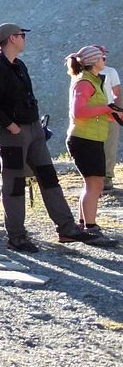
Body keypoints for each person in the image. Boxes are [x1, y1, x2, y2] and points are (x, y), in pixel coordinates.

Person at [0, 23, 105, 251]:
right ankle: (16, 237)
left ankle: (66, 228)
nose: (24, 39)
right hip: (13, 135)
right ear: (11, 39)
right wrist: (11, 126)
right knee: (15, 184)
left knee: (49, 177)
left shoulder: (19, 65)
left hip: (33, 129)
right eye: (21, 35)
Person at [64, 45, 118, 236]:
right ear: (95, 61)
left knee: (92, 183)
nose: (105, 60)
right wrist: (107, 109)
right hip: (84, 139)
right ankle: (91, 227)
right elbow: (78, 112)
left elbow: (96, 109)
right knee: (95, 183)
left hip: (91, 137)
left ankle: (83, 222)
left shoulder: (92, 80)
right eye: (102, 57)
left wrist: (111, 113)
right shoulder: (85, 82)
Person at [96, 46, 121, 191]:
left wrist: (118, 111)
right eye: (101, 57)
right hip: (92, 114)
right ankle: (94, 176)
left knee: (110, 146)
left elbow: (117, 93)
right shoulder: (84, 74)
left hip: (110, 113)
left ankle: (107, 177)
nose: (104, 60)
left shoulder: (111, 72)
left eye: (105, 57)